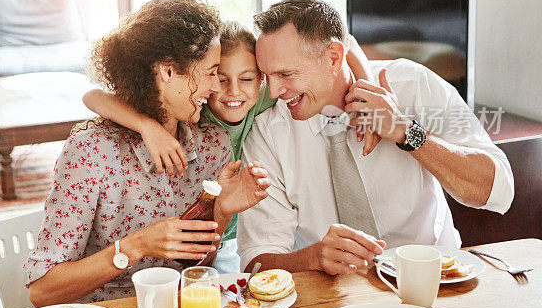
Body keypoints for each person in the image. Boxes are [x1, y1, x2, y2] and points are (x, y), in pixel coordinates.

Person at [237, 0, 514, 276]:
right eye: (267, 75)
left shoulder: (412, 85)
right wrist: (313, 258)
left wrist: (406, 132)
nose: (273, 92)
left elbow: (499, 190)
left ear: (334, 57)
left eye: (286, 74)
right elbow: (255, 261)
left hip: (435, 280)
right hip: (331, 298)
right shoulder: (268, 133)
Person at [24, 0, 271, 306]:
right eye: (210, 73)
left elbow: (195, 271)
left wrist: (220, 212)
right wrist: (138, 245)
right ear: (168, 72)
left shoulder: (212, 145)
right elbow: (42, 291)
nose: (215, 87)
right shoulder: (90, 152)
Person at [82, 20, 379, 273]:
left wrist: (370, 91)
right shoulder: (195, 110)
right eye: (219, 78)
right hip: (202, 237)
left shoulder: (266, 94)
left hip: (242, 235)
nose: (233, 92)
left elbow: (345, 41)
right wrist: (147, 127)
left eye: (247, 78)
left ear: (262, 79)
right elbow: (92, 96)